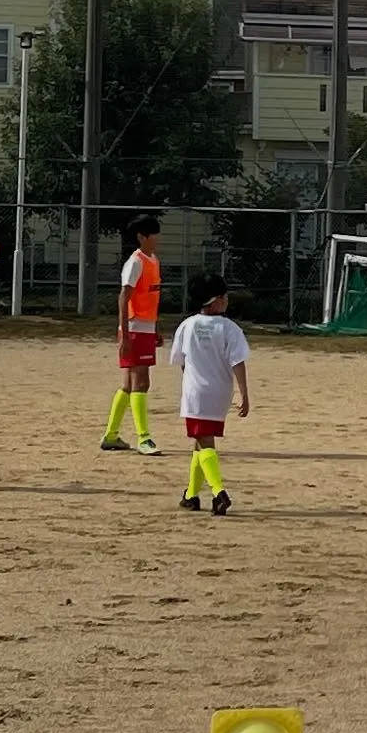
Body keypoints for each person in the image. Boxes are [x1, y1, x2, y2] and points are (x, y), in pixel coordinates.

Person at [170, 273, 251, 516]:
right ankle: (191, 495)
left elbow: (181, 361)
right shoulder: (230, 329)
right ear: (215, 300)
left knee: (204, 442)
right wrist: (243, 393)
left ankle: (218, 492)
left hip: (196, 393)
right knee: (201, 441)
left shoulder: (187, 325)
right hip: (220, 393)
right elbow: (238, 362)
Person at [100, 214, 163, 456]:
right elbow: (124, 297)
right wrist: (125, 334)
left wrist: (156, 327)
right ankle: (144, 438)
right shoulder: (135, 262)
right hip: (135, 329)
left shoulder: (153, 260)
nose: (157, 239)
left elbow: (151, 297)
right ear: (141, 237)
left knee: (128, 385)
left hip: (145, 328)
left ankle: (111, 435)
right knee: (141, 383)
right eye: (153, 234)